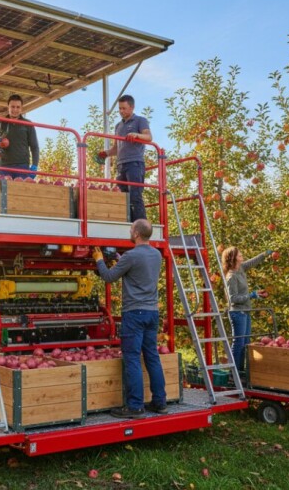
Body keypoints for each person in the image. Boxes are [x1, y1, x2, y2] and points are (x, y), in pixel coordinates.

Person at [91, 219, 167, 419]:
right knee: (152, 356)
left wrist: (99, 259)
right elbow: (135, 269)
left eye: (131, 228)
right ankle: (160, 402)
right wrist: (119, 258)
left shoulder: (130, 256)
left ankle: (135, 406)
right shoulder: (156, 255)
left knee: (132, 357)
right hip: (152, 312)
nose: (129, 230)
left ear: (136, 234)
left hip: (134, 313)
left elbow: (108, 277)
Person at [98, 95, 152, 222]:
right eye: (119, 109)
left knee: (135, 196)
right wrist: (105, 153)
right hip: (121, 165)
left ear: (132, 107)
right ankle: (128, 223)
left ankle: (141, 225)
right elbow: (116, 148)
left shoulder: (140, 120)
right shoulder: (118, 126)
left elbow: (148, 137)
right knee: (122, 197)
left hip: (134, 163)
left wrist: (136, 135)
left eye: (124, 108)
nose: (121, 111)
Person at [222, 247, 273, 372]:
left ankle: (241, 371)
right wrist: (251, 295)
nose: (242, 255)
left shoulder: (241, 269)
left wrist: (264, 253)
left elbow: (252, 262)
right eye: (239, 254)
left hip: (246, 311)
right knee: (238, 343)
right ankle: (235, 373)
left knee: (245, 343)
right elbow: (233, 299)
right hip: (237, 313)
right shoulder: (231, 277)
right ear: (233, 258)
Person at [0, 94, 40, 179]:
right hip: (4, 166)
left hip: (22, 166)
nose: (15, 109)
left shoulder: (28, 124)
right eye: (12, 107)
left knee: (19, 192)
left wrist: (34, 166)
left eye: (18, 107)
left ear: (21, 108)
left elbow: (34, 147)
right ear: (8, 107)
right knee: (4, 191)